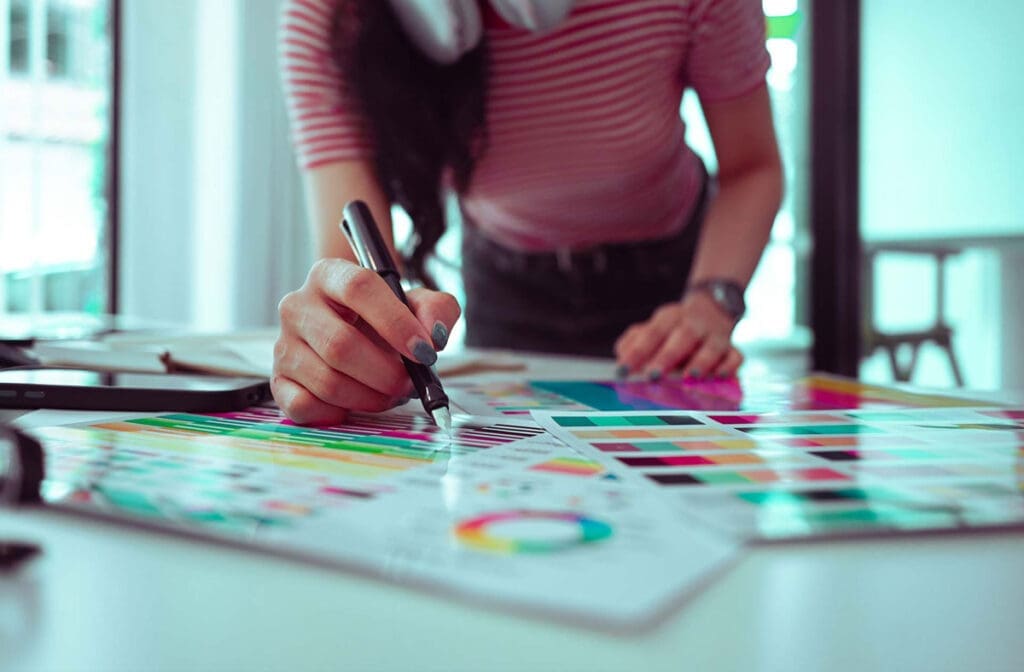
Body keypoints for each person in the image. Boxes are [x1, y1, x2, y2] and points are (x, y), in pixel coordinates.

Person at [274, 0, 783, 424]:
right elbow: (354, 267)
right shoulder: (328, 17)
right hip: (505, 281)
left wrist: (711, 303)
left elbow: (752, 167)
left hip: (672, 279)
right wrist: (347, 338)